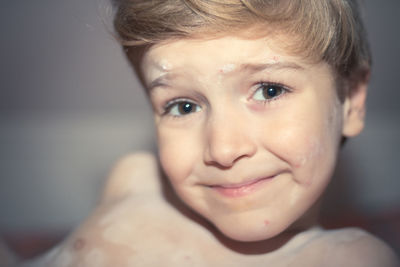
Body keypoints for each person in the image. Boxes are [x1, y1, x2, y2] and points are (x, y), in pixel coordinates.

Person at [16, 0, 399, 266]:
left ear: (351, 100)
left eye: (269, 90)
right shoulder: (135, 178)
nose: (223, 148)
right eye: (184, 105)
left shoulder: (349, 258)